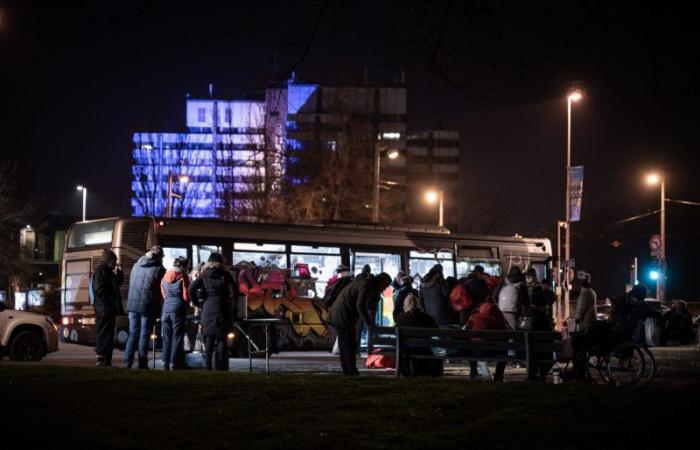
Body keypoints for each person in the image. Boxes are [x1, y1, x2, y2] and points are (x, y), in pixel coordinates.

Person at [328, 272, 392, 375]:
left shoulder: (363, 283)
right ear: (380, 282)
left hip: (338, 314)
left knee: (345, 344)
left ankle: (347, 371)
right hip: (343, 315)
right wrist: (369, 324)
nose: (384, 289)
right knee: (349, 344)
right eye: (384, 286)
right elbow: (360, 305)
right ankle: (351, 371)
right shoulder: (366, 285)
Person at [189, 253, 238, 371]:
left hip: (208, 307)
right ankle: (222, 367)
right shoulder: (226, 274)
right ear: (221, 262)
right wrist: (231, 302)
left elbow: (192, 289)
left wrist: (197, 303)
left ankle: (208, 366)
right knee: (222, 339)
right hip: (223, 307)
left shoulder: (204, 274)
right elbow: (235, 291)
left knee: (209, 338)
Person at [124, 246, 166, 369]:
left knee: (133, 334)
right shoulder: (159, 269)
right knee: (144, 335)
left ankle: (128, 361)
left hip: (132, 305)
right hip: (147, 306)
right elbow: (161, 291)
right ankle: (142, 363)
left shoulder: (136, 265)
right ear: (159, 257)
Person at [395, 294, 443, 376]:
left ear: (405, 305)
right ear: (418, 304)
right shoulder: (427, 317)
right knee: (437, 352)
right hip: (424, 350)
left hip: (406, 350)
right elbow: (438, 332)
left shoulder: (400, 318)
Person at [91, 249, 123, 367]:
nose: (115, 264)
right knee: (104, 334)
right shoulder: (101, 271)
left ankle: (106, 360)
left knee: (108, 334)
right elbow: (100, 289)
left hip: (106, 308)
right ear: (110, 260)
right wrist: (110, 296)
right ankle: (102, 359)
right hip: (104, 308)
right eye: (115, 261)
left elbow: (115, 284)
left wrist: (119, 275)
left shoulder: (107, 271)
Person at [466, 301, 509, 382]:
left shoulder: (474, 317)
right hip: (493, 351)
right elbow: (504, 336)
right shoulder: (498, 319)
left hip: (476, 352)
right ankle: (499, 375)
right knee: (504, 350)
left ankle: (473, 372)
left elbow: (466, 332)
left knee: (472, 345)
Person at [160, 256, 190, 370]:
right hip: (178, 309)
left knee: (166, 338)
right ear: (182, 266)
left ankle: (165, 362)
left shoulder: (164, 277)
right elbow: (185, 295)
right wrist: (186, 304)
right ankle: (174, 362)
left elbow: (163, 294)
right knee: (177, 337)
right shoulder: (183, 277)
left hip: (165, 309)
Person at [494, 266, 528, 330]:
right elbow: (526, 301)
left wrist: (498, 306)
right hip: (514, 313)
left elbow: (495, 297)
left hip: (501, 311)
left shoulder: (503, 282)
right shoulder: (522, 285)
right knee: (513, 332)